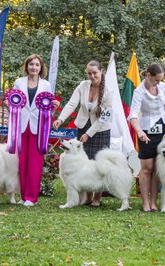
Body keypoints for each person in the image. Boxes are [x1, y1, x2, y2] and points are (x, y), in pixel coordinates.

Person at [53, 60, 113, 207]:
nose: (92, 76)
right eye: (89, 73)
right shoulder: (82, 86)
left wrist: (89, 134)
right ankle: (87, 197)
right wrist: (60, 119)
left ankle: (97, 197)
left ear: (101, 71)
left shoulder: (109, 91)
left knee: (98, 163)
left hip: (101, 129)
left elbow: (103, 118)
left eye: (95, 73)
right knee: (84, 163)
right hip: (82, 125)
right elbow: (72, 104)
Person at [128, 63, 165, 212]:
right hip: (146, 131)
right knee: (147, 168)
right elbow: (133, 116)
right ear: (148, 75)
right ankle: (145, 202)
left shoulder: (163, 87)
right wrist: (139, 132)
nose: (159, 83)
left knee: (157, 167)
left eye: (161, 80)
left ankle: (154, 202)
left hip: (163, 128)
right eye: (156, 80)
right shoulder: (139, 92)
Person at [11, 54, 59, 207]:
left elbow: (48, 108)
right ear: (27, 66)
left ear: (41, 67)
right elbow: (13, 101)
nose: (34, 67)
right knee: (21, 162)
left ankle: (31, 197)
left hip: (38, 127)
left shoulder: (46, 85)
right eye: (31, 64)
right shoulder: (19, 82)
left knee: (35, 162)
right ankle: (23, 195)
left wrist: (54, 106)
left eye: (37, 65)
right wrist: (8, 103)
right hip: (21, 125)